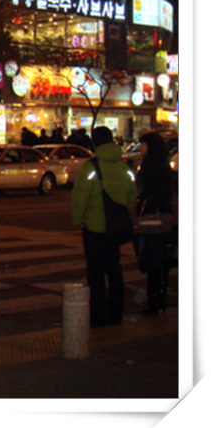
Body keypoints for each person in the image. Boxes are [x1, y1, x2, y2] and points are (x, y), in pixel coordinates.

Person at [71, 126, 137, 327]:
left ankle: (98, 315)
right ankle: (116, 313)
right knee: (114, 270)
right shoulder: (124, 168)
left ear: (94, 143)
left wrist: (78, 220)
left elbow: (80, 198)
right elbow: (131, 196)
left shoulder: (90, 168)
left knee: (95, 273)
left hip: (94, 228)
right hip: (115, 229)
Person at [134, 131, 175, 314]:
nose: (140, 149)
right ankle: (160, 297)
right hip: (164, 216)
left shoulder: (149, 166)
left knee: (151, 259)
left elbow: (144, 190)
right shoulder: (164, 166)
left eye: (143, 145)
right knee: (160, 259)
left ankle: (154, 300)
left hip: (153, 217)